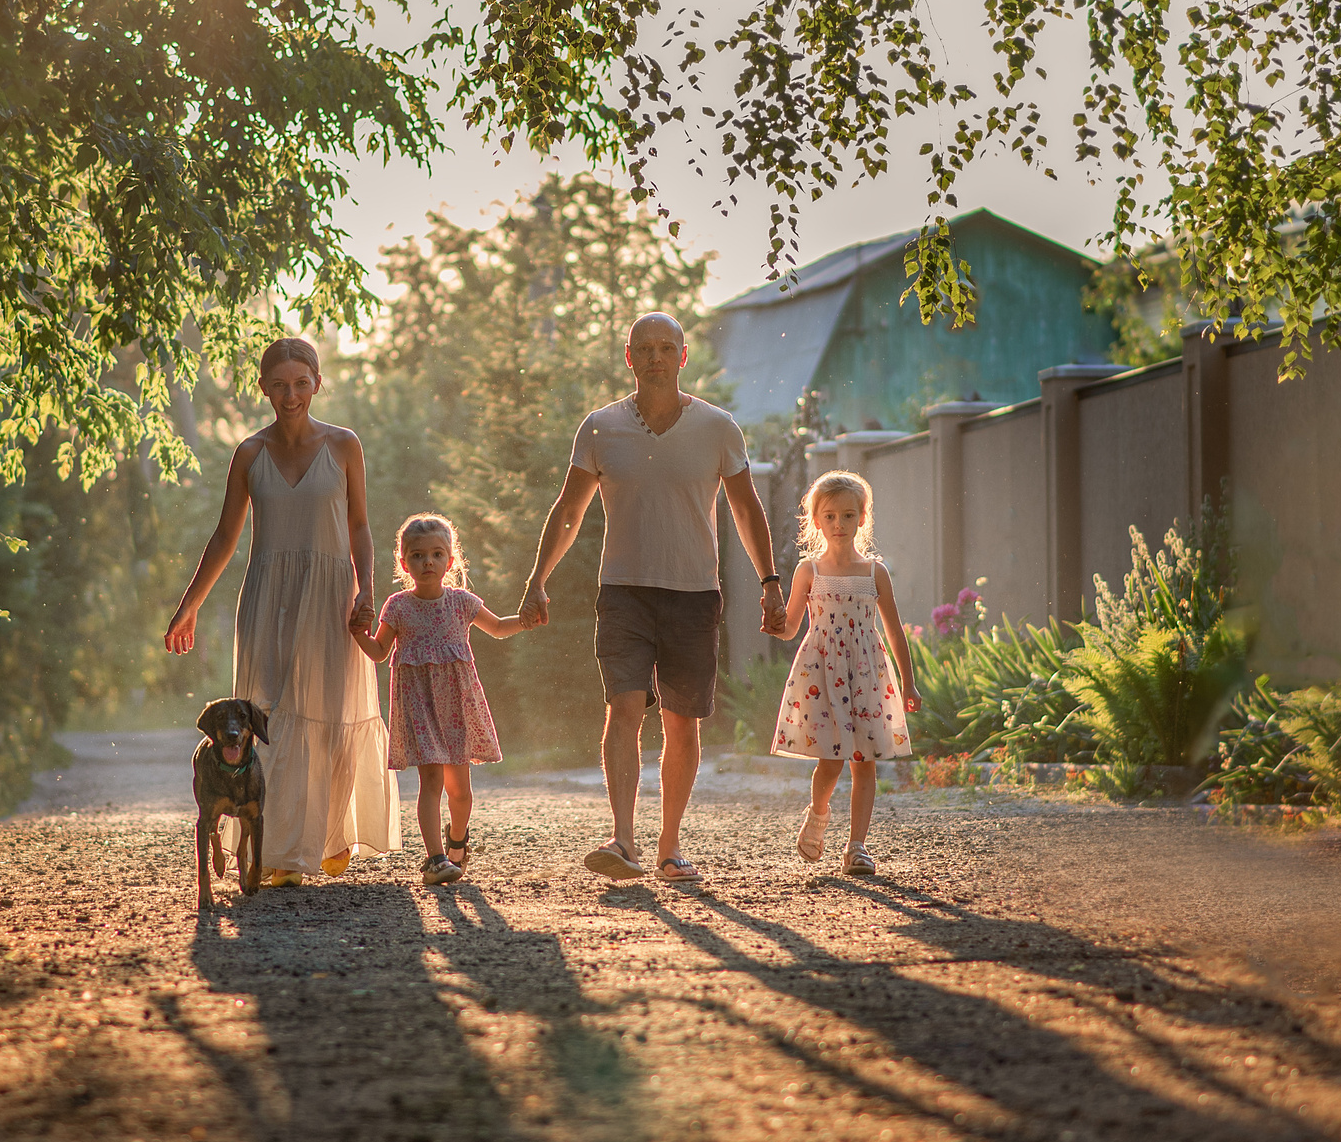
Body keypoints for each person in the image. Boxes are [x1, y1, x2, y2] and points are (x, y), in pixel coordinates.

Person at [519, 313, 789, 883]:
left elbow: (746, 508)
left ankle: (669, 846)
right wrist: (538, 578)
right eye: (645, 348)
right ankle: (622, 839)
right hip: (624, 593)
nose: (656, 357)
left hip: (694, 595)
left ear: (683, 357)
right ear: (629, 357)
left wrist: (770, 581)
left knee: (681, 722)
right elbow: (569, 510)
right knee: (623, 707)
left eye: (667, 347)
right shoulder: (600, 428)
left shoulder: (718, 428)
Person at [165, 338, 399, 885]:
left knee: (329, 711)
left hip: (330, 594)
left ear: (317, 382)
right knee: (268, 715)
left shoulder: (344, 445)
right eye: (279, 385)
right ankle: (277, 852)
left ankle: (326, 837)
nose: (291, 395)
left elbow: (361, 525)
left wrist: (367, 590)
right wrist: (189, 606)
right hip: (267, 594)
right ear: (264, 388)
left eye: (301, 383)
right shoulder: (249, 453)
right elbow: (225, 535)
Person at [351, 513, 524, 886]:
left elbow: (497, 628)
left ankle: (457, 840)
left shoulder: (462, 602)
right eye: (417, 556)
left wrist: (526, 620)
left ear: (451, 560)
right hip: (418, 706)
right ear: (404, 563)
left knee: (460, 792)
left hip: (457, 706)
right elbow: (379, 652)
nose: (427, 562)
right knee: (431, 782)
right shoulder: (398, 606)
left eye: (436, 554)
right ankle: (435, 859)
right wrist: (357, 634)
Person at [772, 470, 920, 876]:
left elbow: (894, 630)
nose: (840, 524)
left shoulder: (875, 572)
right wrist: (775, 623)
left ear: (862, 518)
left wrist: (909, 683)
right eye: (831, 516)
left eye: (849, 515)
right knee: (831, 760)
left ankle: (857, 847)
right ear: (817, 521)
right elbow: (791, 628)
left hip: (867, 673)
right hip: (822, 674)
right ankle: (818, 814)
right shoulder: (809, 570)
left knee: (864, 760)